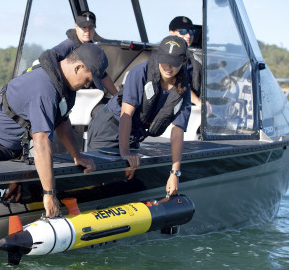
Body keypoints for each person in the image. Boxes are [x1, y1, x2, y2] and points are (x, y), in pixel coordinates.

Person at [0, 43, 109, 218]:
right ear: (78, 67)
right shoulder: (44, 89)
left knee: (11, 197)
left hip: (9, 148)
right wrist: (50, 194)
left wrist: (77, 156)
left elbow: (62, 121)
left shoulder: (63, 86)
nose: (88, 86)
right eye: (88, 80)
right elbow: (41, 143)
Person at [86, 35, 191, 198]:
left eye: (174, 62)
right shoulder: (140, 72)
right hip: (110, 126)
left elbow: (177, 130)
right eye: (164, 60)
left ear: (183, 62)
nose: (168, 67)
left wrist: (174, 173)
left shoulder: (183, 89)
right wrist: (125, 153)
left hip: (134, 134)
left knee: (127, 180)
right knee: (100, 181)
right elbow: (126, 114)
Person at [52, 11, 118, 95]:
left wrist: (117, 96)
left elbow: (102, 75)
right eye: (84, 27)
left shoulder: (91, 49)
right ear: (76, 26)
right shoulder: (67, 46)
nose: (87, 31)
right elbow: (47, 63)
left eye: (91, 28)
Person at [168, 16, 209, 113]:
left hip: (188, 109)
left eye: (191, 32)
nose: (188, 36)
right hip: (171, 109)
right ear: (171, 33)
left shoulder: (192, 59)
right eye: (183, 32)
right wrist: (198, 102)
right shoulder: (166, 57)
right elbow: (174, 82)